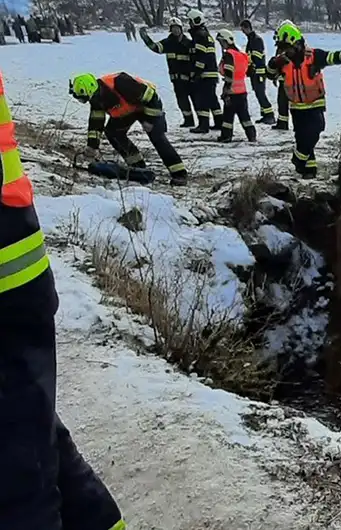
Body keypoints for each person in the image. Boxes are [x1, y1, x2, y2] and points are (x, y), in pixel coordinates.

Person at [0, 67, 127, 530]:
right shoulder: (99, 94)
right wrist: (94, 149)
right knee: (31, 437)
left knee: (16, 477)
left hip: (9, 276)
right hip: (16, 263)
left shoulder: (117, 87)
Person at [267, 21, 341, 177]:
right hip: (296, 108)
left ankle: (298, 160)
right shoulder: (283, 62)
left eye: (286, 48)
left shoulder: (313, 56)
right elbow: (269, 74)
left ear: (296, 44)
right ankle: (309, 170)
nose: (284, 52)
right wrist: (273, 63)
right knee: (303, 138)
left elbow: (331, 57)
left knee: (314, 133)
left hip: (315, 105)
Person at [69, 72, 189, 186]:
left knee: (157, 136)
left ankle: (179, 173)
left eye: (82, 99)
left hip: (148, 107)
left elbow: (151, 97)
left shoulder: (121, 83)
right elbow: (96, 122)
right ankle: (137, 167)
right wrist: (92, 146)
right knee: (113, 133)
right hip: (127, 111)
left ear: (90, 90)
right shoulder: (96, 98)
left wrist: (150, 121)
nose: (83, 101)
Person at [139, 18, 197, 128]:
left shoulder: (188, 43)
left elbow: (196, 58)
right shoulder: (167, 42)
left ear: (181, 29)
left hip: (190, 78)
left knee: (196, 100)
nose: (175, 31)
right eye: (173, 29)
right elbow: (155, 47)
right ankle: (189, 120)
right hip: (176, 79)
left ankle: (202, 122)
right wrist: (146, 38)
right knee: (182, 100)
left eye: (177, 28)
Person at [215, 29, 256, 143]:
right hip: (242, 90)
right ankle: (251, 135)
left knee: (228, 116)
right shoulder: (242, 54)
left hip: (232, 91)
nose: (221, 44)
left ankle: (226, 136)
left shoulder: (229, 55)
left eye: (221, 42)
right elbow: (250, 70)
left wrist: (226, 90)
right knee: (244, 116)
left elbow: (228, 73)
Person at [186, 9, 222, 134]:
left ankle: (203, 125)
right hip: (211, 73)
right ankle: (219, 121)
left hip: (205, 74)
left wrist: (196, 73)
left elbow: (200, 56)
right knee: (212, 99)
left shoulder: (199, 35)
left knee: (202, 100)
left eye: (190, 21)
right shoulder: (206, 34)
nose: (189, 24)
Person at [239, 19, 275, 125]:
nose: (243, 32)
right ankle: (265, 115)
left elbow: (257, 57)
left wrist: (250, 63)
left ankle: (270, 115)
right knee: (258, 93)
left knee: (260, 94)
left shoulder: (256, 40)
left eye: (243, 30)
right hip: (254, 72)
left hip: (258, 72)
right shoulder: (251, 40)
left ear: (247, 28)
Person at [268, 26, 290, 130]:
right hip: (283, 79)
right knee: (282, 102)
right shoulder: (282, 47)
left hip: (287, 80)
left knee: (283, 102)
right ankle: (282, 122)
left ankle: (283, 123)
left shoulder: (287, 48)